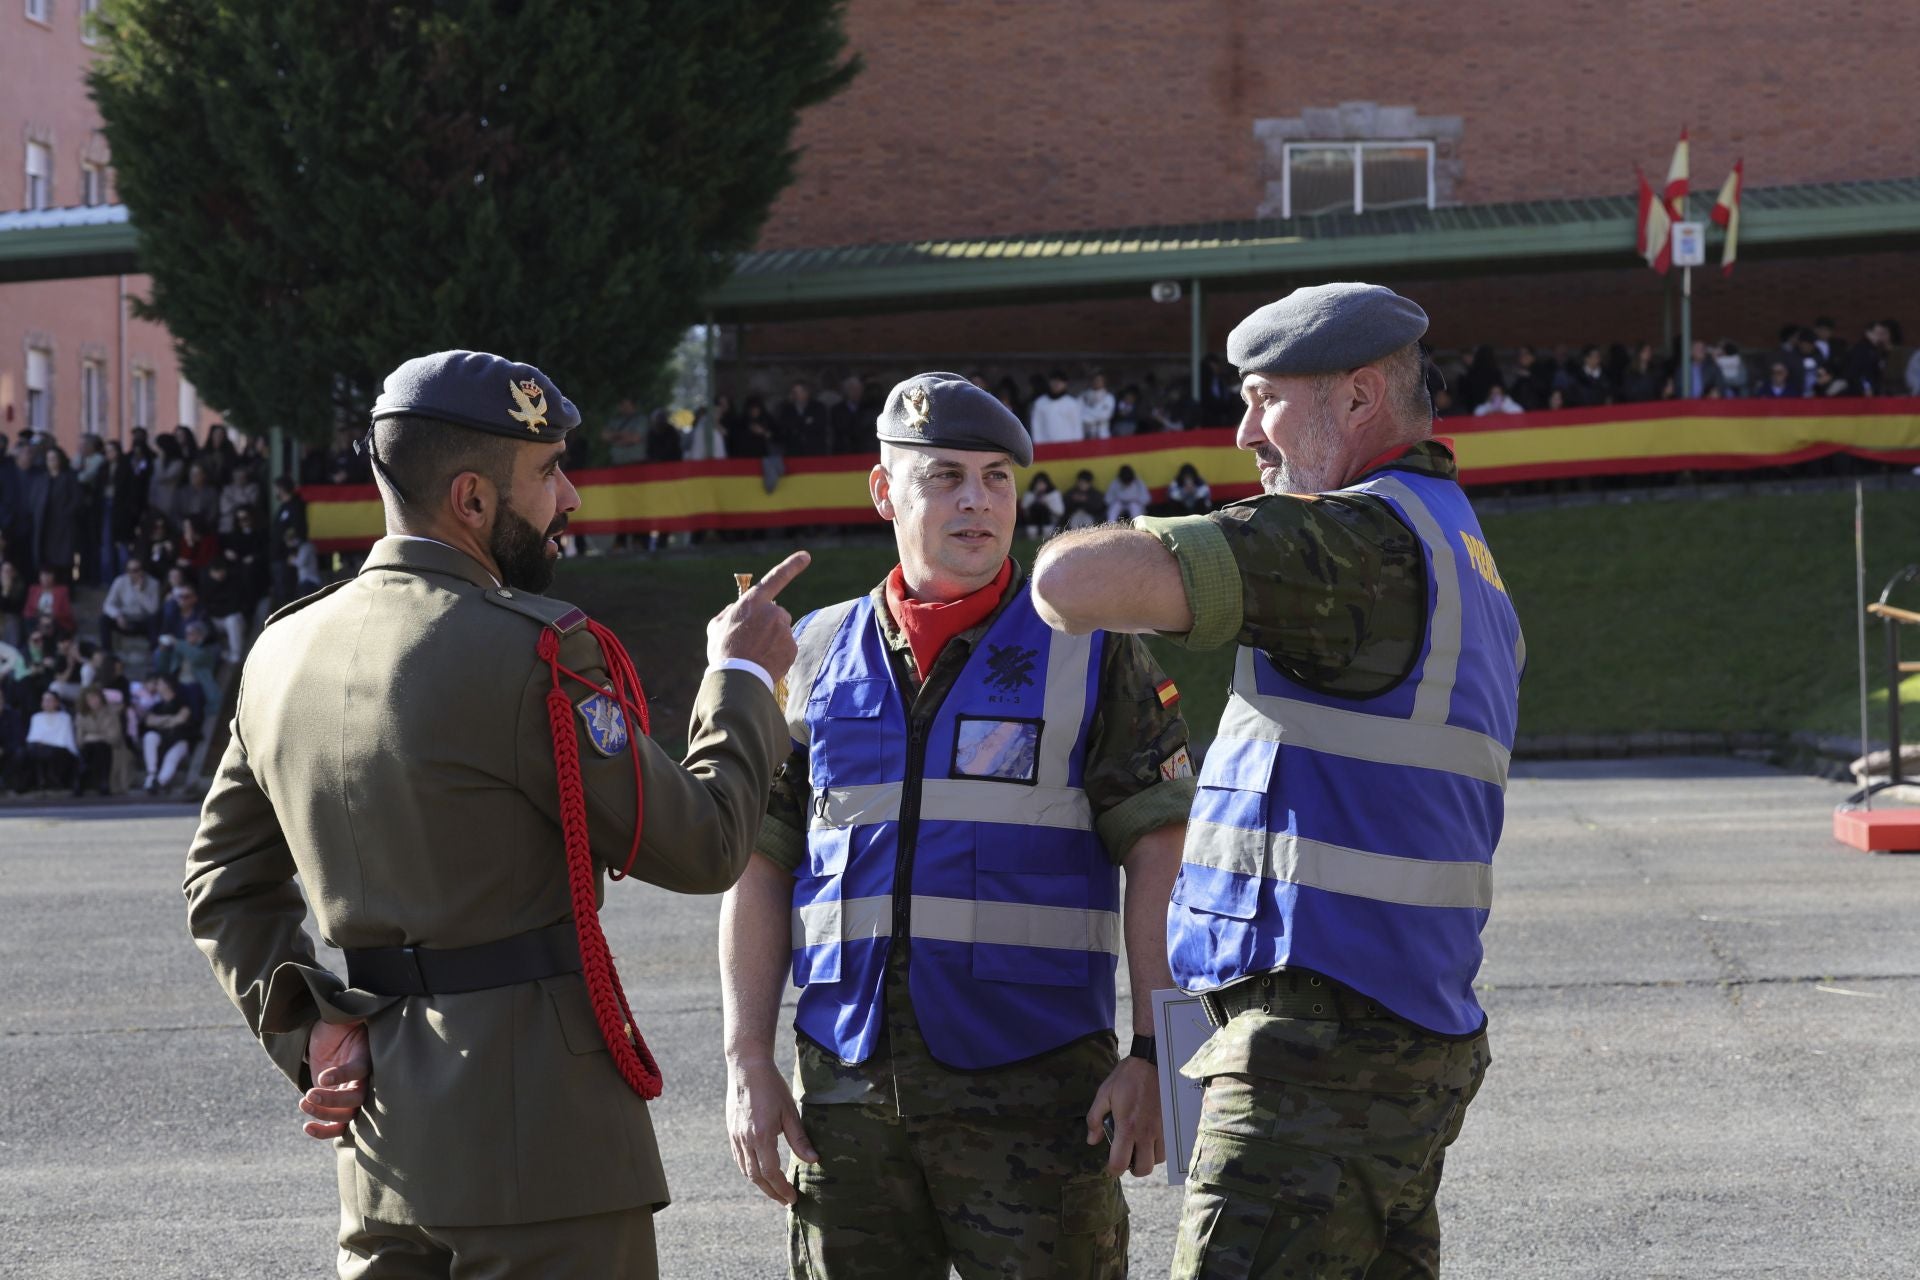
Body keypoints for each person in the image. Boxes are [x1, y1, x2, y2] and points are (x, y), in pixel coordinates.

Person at [182, 348, 806, 1278]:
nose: (573, 500)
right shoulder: (531, 651)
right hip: (548, 1162)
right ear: (473, 500)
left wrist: (307, 1027)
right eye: (549, 473)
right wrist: (743, 677)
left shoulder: (282, 650)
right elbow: (706, 842)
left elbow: (222, 883)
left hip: (384, 1154)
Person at [1031, 283, 1523, 1278]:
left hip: (1315, 1052)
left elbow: (1066, 586)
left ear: (1355, 399)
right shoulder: (1457, 544)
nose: (1245, 429)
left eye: (1263, 397)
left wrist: (1222, 536)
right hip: (1403, 1039)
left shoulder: (1351, 540)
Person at [719, 371, 1191, 1278]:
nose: (977, 500)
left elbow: (1162, 854)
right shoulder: (810, 654)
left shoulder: (1091, 648)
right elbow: (760, 865)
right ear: (883, 489)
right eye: (944, 476)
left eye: (997, 478)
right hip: (847, 1097)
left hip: (1042, 1095)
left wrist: (1154, 1054)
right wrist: (747, 1060)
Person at [139, 672, 201, 792]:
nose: (157, 686)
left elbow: (180, 719)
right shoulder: (157, 706)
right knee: (150, 736)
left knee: (171, 757)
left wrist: (161, 721)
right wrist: (168, 719)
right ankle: (151, 775)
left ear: (168, 685)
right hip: (162, 740)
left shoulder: (182, 702)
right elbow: (149, 721)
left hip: (179, 741)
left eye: (159, 683)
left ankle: (160, 782)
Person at [101, 557, 162, 654]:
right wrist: (117, 615)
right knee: (104, 619)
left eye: (135, 570)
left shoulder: (153, 583)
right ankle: (107, 653)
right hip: (125, 620)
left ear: (142, 570)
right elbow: (107, 604)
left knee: (155, 619)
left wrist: (140, 592)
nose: (132, 574)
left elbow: (153, 609)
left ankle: (154, 653)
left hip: (143, 621)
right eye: (129, 570)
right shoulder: (120, 581)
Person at [22, 689, 78, 792]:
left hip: (58, 749)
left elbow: (64, 738)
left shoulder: (64, 717)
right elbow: (33, 737)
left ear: (56, 702)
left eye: (49, 700)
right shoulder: (36, 717)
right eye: (44, 700)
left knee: (50, 752)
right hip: (38, 748)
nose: (46, 703)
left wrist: (47, 742)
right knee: (32, 752)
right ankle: (38, 781)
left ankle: (50, 780)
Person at [73, 685, 121, 796]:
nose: (93, 701)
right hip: (88, 748)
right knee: (89, 748)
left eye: (95, 697)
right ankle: (80, 781)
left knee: (100, 747)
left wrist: (94, 736)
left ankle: (104, 782)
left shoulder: (111, 714)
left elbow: (114, 737)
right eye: (89, 699)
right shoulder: (81, 715)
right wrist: (97, 736)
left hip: (109, 748)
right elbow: (79, 740)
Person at [1028, 370, 1083, 445]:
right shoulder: (1040, 403)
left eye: (1060, 382)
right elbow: (1036, 427)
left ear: (1065, 384)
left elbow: (1077, 428)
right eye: (1054, 381)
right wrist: (1038, 445)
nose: (1057, 384)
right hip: (1046, 446)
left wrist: (1077, 445)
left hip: (1069, 447)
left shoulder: (1072, 404)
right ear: (1049, 382)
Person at [1020, 470, 1065, 540]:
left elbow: (1060, 511)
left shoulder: (1054, 494)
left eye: (1042, 483)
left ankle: (1047, 536)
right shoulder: (1030, 493)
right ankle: (1032, 536)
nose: (1041, 486)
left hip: (1050, 520)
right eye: (1038, 484)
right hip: (1033, 521)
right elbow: (1024, 506)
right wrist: (1035, 495)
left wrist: (1047, 503)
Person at [1080, 370, 1116, 440]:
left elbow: (1105, 415)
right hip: (1085, 433)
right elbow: (1078, 414)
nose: (1097, 382)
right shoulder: (1083, 396)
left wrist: (1087, 412)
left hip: (1101, 433)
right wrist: (1095, 413)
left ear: (1104, 382)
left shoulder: (1108, 397)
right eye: (1095, 380)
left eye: (1099, 380)